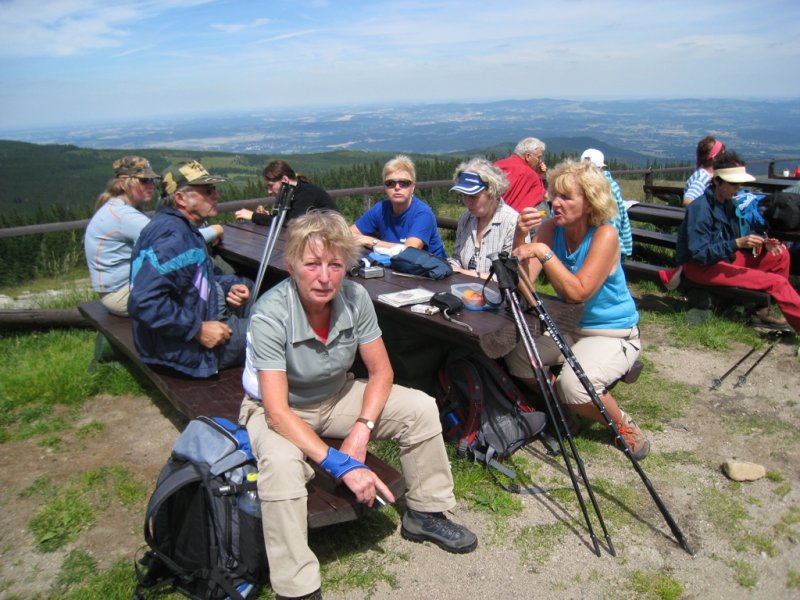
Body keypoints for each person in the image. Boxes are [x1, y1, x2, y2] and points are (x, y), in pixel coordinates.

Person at [239, 210, 477, 599]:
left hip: (335, 394)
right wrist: (340, 463)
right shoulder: (271, 314)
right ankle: (296, 585)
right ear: (291, 265)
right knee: (281, 466)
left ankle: (425, 512)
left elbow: (381, 372)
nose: (324, 276)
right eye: (312, 264)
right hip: (277, 409)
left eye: (335, 265)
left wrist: (361, 430)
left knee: (418, 407)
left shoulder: (354, 297)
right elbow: (278, 411)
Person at [504, 159, 649, 459]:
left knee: (574, 385)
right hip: (569, 325)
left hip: (611, 331)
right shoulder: (549, 228)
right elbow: (526, 283)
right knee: (518, 359)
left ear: (589, 203)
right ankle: (564, 405)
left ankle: (622, 424)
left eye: (566, 197)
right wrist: (520, 238)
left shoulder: (605, 235)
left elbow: (578, 292)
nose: (555, 203)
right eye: (554, 195)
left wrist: (542, 252)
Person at [128, 160, 251, 378]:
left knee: (248, 285)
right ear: (181, 198)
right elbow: (144, 302)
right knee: (274, 329)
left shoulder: (179, 228)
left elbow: (197, 274)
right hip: (182, 351)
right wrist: (198, 330)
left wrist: (230, 284)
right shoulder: (174, 239)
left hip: (174, 339)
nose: (216, 195)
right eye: (207, 191)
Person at [675, 152, 800, 332]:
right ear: (717, 181)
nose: (739, 187)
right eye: (733, 183)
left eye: (740, 183)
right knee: (776, 283)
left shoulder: (728, 204)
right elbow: (700, 254)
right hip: (699, 267)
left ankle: (761, 311)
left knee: (781, 255)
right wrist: (738, 244)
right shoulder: (700, 208)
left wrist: (762, 244)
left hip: (725, 258)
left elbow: (740, 238)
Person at [84, 156, 222, 316]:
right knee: (201, 287)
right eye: (144, 181)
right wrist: (216, 230)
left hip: (119, 290)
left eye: (152, 180)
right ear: (123, 184)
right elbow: (179, 241)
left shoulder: (116, 208)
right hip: (122, 295)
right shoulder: (122, 216)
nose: (151, 185)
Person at [448, 157, 531, 279]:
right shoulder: (465, 219)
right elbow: (457, 258)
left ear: (492, 191)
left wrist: (464, 273)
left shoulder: (513, 223)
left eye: (473, 196)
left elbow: (513, 276)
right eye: (463, 196)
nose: (467, 202)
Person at [350, 154, 447, 257]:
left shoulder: (423, 213)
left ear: (413, 187)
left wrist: (371, 242)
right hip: (396, 269)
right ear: (385, 187)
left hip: (429, 271)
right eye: (390, 183)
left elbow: (409, 251)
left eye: (404, 183)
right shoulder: (380, 209)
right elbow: (347, 234)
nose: (397, 187)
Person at [235, 159, 338, 225]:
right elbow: (289, 219)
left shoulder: (305, 194)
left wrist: (254, 216)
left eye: (271, 186)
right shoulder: (296, 191)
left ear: (284, 180)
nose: (269, 192)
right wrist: (268, 216)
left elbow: (291, 223)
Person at [580, 148, 633, 258]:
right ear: (601, 167)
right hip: (611, 242)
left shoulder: (584, 186)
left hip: (597, 243)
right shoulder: (611, 185)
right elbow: (622, 214)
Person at [494, 137, 548, 212]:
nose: (540, 161)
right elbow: (543, 196)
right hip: (511, 219)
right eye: (538, 157)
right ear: (528, 156)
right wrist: (540, 176)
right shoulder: (531, 175)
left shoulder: (497, 165)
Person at [683, 136, 725, 206]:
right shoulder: (703, 178)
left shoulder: (704, 173)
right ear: (714, 158)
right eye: (723, 154)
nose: (725, 157)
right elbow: (688, 201)